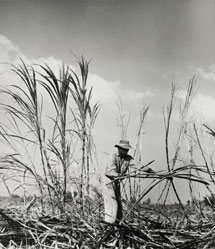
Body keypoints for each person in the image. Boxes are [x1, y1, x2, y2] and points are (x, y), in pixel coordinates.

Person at [103, 140, 154, 224]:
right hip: (108, 182)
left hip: (116, 182)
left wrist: (151, 171)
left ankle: (117, 224)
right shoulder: (113, 157)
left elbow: (139, 165)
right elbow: (109, 172)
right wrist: (120, 175)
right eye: (124, 149)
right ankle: (109, 224)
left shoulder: (128, 158)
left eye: (127, 150)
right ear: (119, 149)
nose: (126, 151)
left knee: (119, 205)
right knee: (113, 205)